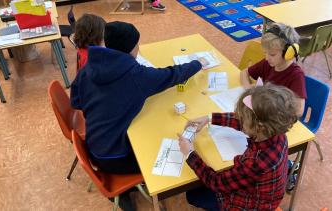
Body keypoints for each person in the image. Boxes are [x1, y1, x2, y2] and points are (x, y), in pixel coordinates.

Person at [70, 21, 206, 210]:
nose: (139, 49)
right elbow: (172, 75)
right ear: (130, 50)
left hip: (95, 144)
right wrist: (198, 63)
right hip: (115, 157)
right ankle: (136, 192)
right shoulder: (136, 75)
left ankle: (125, 192)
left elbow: (76, 102)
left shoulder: (88, 68)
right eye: (137, 45)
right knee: (181, 152)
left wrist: (108, 105)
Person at [178, 83, 298, 211]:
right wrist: (209, 118)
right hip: (265, 197)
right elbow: (243, 122)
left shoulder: (256, 163)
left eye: (244, 119)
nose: (240, 120)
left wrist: (190, 154)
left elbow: (215, 182)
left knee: (193, 194)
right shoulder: (275, 132)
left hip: (248, 205)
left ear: (259, 126)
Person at [240, 22, 306, 117]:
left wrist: (273, 108)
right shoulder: (268, 64)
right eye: (265, 53)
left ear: (288, 53)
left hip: (277, 118)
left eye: (272, 54)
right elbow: (244, 72)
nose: (267, 58)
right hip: (263, 111)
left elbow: (299, 111)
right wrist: (247, 89)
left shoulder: (296, 75)